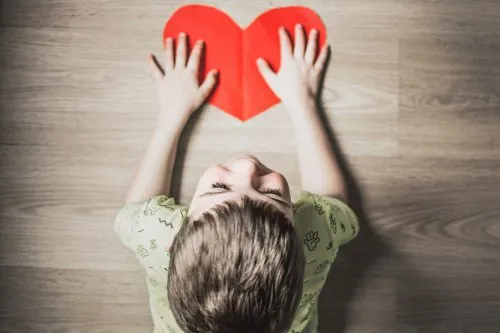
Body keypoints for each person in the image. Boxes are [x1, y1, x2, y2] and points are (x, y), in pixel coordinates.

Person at [114, 24, 359, 333]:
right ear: (298, 227)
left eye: (220, 187)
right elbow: (333, 203)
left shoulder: (155, 236)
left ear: (180, 227)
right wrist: (303, 102)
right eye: (271, 195)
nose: (247, 166)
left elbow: (137, 208)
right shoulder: (313, 239)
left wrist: (171, 115)